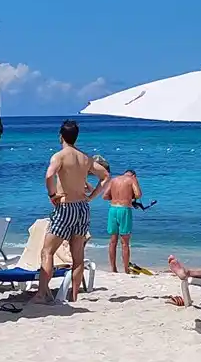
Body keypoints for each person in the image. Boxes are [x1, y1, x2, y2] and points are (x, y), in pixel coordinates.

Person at [41, 119, 107, 303]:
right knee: (78, 256)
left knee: (47, 252)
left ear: (61, 136)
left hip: (66, 206)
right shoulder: (85, 158)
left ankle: (41, 294)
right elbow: (105, 176)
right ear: (76, 137)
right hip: (82, 207)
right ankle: (74, 295)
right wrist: (92, 196)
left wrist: (52, 195)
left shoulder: (59, 156)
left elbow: (49, 175)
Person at [99, 166, 142, 274]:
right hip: (124, 210)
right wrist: (130, 197)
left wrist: (115, 197)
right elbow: (138, 194)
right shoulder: (132, 179)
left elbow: (104, 196)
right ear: (134, 175)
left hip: (113, 209)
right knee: (125, 243)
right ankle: (126, 269)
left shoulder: (114, 180)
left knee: (113, 241)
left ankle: (113, 268)